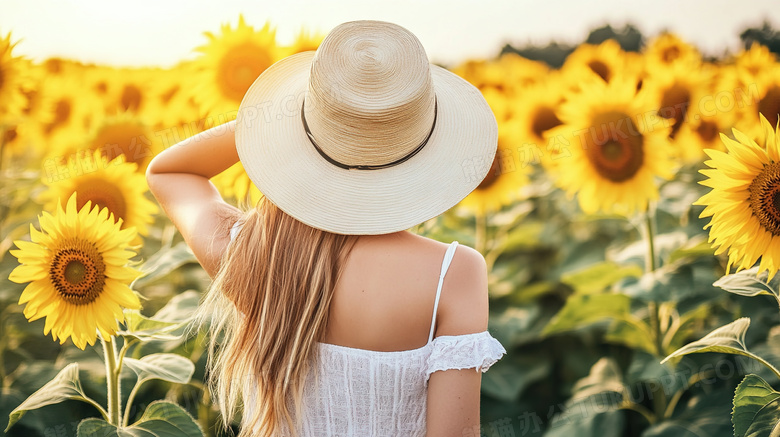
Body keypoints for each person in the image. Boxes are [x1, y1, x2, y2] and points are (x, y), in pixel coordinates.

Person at [146, 19, 506, 437]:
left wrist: (282, 123)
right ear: (422, 146)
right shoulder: (454, 274)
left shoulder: (255, 255)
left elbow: (170, 172)